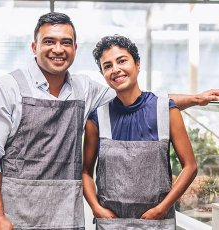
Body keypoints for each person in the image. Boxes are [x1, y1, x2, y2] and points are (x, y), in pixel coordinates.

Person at [0, 12, 219, 230]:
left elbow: (140, 100)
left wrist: (196, 98)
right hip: (12, 212)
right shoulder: (5, 88)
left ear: (74, 49)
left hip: (63, 213)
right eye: (49, 41)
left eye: (66, 42)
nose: (58, 49)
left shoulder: (84, 90)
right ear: (34, 47)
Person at [82, 35, 198, 229]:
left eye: (122, 61)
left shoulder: (166, 110)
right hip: (111, 224)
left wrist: (162, 208)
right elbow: (86, 171)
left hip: (157, 222)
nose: (115, 69)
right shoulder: (97, 118)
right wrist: (95, 207)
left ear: (137, 64)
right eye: (107, 66)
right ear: (103, 74)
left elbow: (190, 167)